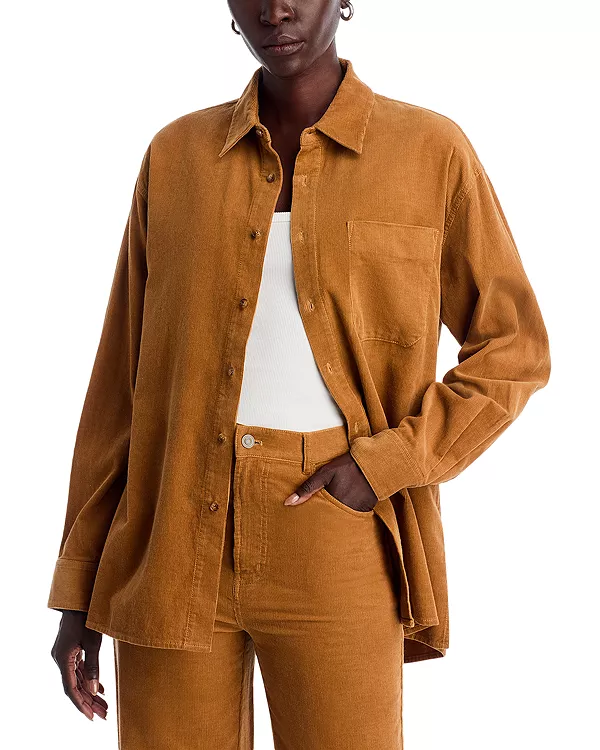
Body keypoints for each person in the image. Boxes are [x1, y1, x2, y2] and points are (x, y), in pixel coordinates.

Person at [48, 1, 551, 748]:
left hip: (336, 527)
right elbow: (120, 385)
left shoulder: (429, 152)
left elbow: (515, 348)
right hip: (169, 531)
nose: (275, 7)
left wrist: (385, 464)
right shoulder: (175, 157)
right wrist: (78, 589)